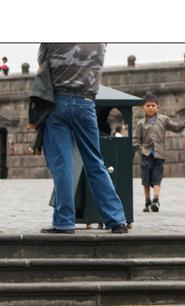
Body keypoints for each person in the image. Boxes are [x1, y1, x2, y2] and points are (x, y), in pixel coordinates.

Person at [37, 43, 128, 234]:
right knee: (95, 162)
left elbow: (41, 67)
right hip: (86, 103)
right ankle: (116, 220)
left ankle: (64, 222)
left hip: (57, 103)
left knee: (62, 164)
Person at [132, 94, 185, 213]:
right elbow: (136, 140)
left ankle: (155, 199)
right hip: (146, 156)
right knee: (146, 178)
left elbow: (177, 127)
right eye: (148, 105)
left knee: (157, 177)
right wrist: (142, 150)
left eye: (153, 105)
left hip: (159, 155)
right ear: (142, 108)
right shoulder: (140, 124)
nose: (151, 108)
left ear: (158, 107)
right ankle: (147, 200)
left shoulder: (164, 120)